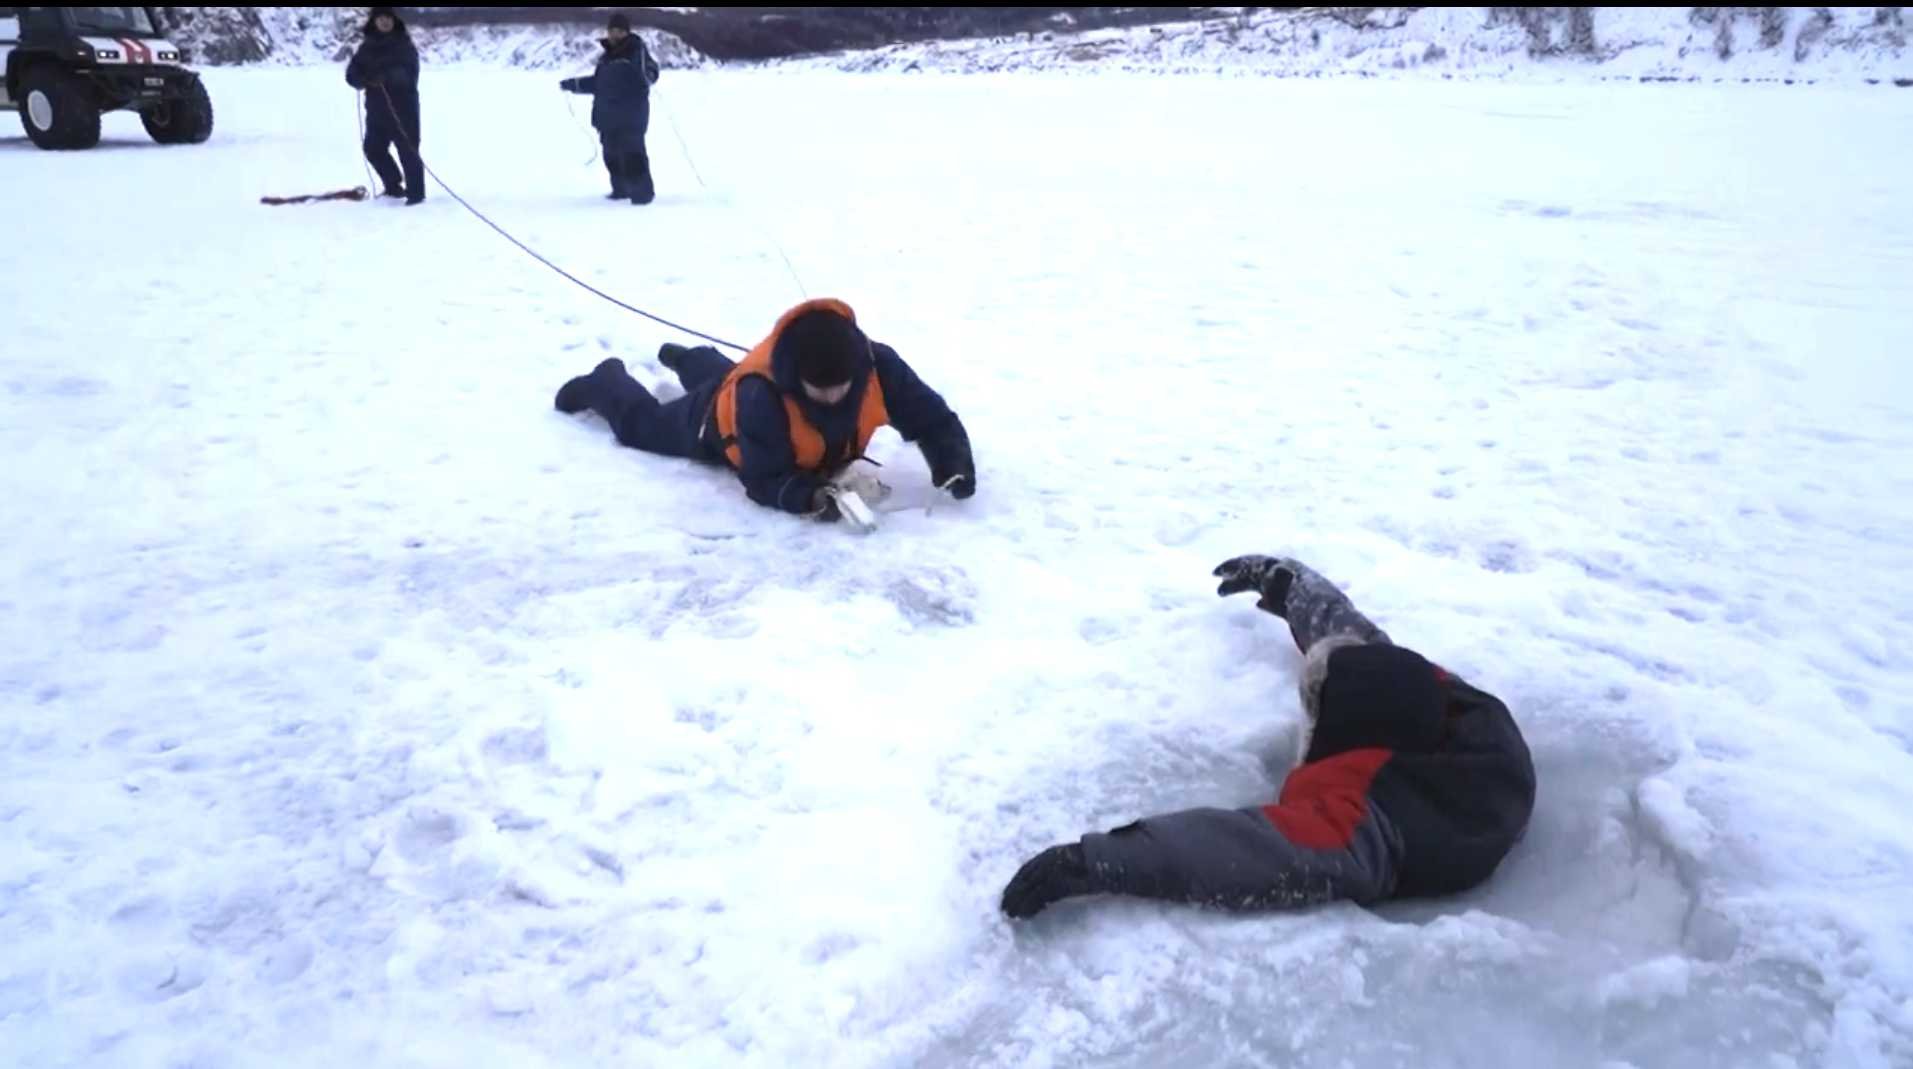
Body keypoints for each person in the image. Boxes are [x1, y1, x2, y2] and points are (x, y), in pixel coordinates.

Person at [1001, 556, 1535, 919]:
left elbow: (1248, 852)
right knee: (1358, 663)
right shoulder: (1454, 708)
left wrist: (1093, 861)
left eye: (1316, 707)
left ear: (1349, 734)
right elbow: (1356, 643)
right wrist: (1288, 584)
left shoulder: (1364, 822)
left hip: (1413, 826)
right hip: (1450, 753)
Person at [553, 298, 976, 519]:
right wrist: (808, 497)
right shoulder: (760, 396)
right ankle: (605, 380)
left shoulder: (879, 365)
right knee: (642, 427)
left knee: (728, 377)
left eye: (840, 389)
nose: (831, 400)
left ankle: (689, 359)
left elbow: (933, 420)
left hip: (741, 386)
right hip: (714, 426)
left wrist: (952, 462)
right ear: (795, 376)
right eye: (818, 391)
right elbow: (762, 477)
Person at [559, 13, 661, 204]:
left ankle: (642, 195)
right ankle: (620, 190)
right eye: (612, 31)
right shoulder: (606, 57)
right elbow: (599, 83)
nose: (615, 35)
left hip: (631, 117)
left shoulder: (637, 52)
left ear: (627, 33)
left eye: (620, 31)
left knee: (633, 155)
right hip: (607, 117)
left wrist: (642, 74)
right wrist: (574, 85)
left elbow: (651, 75)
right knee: (611, 156)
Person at [344, 6, 424, 205]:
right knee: (373, 149)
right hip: (376, 110)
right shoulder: (366, 47)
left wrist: (385, 77)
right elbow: (351, 74)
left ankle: (416, 195)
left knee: (408, 152)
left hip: (403, 110)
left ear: (394, 21)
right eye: (381, 18)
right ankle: (393, 185)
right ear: (374, 22)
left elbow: (409, 75)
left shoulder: (405, 45)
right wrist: (362, 79)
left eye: (388, 18)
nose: (385, 22)